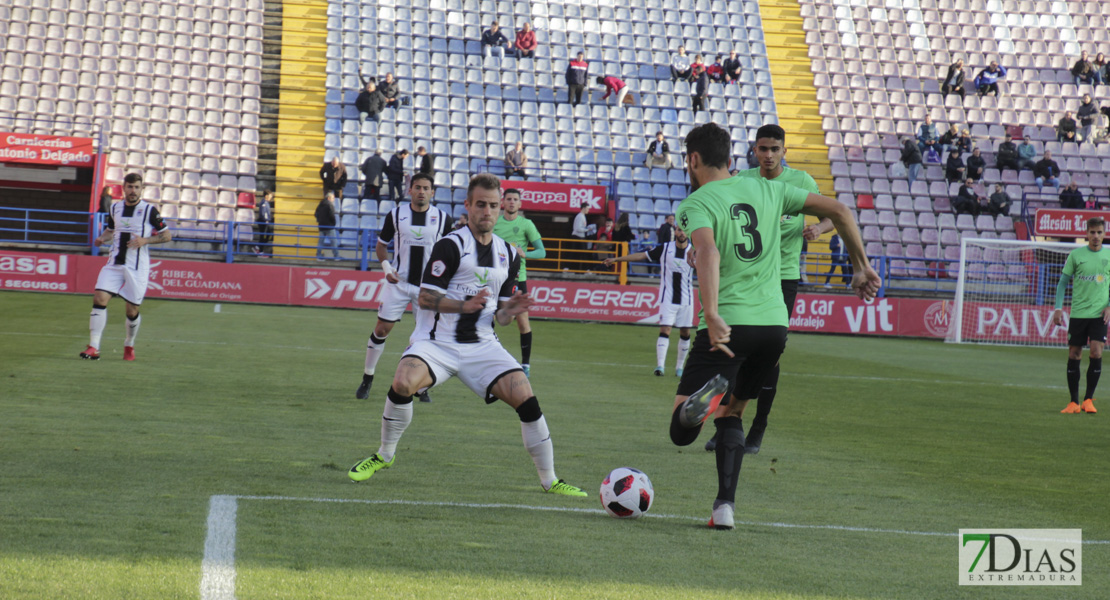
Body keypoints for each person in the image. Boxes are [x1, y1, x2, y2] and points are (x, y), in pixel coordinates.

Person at [666, 122, 879, 530]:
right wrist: (860, 267)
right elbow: (840, 211)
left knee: (682, 431)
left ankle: (705, 399)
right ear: (732, 159)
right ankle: (724, 508)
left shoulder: (696, 202)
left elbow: (707, 251)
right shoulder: (771, 188)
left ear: (693, 160)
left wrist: (710, 312)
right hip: (774, 325)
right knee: (735, 414)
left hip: (731, 320)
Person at [347, 173, 588, 498]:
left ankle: (550, 480)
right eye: (480, 205)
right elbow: (425, 298)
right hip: (436, 343)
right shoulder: (450, 245)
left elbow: (500, 317)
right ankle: (384, 455)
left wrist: (511, 308)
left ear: (500, 207)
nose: (487, 211)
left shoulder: (510, 255)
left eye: (492, 205)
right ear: (468, 206)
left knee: (527, 398)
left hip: (482, 347)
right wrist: (464, 305)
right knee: (403, 381)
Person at [703, 123, 834, 455]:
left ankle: (758, 427)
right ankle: (726, 425)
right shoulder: (743, 180)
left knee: (769, 356)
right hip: (745, 277)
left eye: (775, 149)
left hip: (783, 278)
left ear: (784, 151)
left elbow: (833, 215)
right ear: (754, 151)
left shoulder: (800, 182)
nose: (769, 155)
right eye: (763, 149)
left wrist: (818, 228)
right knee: (733, 350)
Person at [355, 173, 452, 401]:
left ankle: (421, 387)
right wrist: (387, 269)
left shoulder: (443, 218)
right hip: (398, 283)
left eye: (426, 188)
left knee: (425, 337)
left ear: (432, 192)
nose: (421, 191)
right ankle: (368, 377)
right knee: (381, 329)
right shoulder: (396, 215)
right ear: (410, 190)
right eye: (417, 187)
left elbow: (452, 252)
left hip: (428, 288)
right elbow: (381, 246)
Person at [79, 173, 171, 361]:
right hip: (114, 264)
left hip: (137, 267)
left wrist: (145, 240)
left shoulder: (149, 211)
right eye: (130, 187)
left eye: (136, 187)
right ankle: (94, 347)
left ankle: (129, 344)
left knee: (131, 310)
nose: (133, 191)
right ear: (124, 188)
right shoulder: (115, 208)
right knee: (99, 298)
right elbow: (111, 230)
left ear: (141, 188)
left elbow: (166, 235)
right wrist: (102, 238)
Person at [604, 225, 695, 376]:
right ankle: (660, 366)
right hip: (668, 297)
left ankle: (679, 368)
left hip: (687, 300)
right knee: (665, 329)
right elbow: (641, 255)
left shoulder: (694, 251)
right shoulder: (665, 248)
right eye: (679, 230)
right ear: (675, 232)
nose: (682, 233)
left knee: (685, 332)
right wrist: (617, 259)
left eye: (684, 230)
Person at [1052, 217, 1110, 415]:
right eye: (1092, 232)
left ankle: (1088, 400)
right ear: (1086, 234)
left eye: (1099, 232)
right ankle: (1073, 402)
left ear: (1104, 234)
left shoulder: (1109, 256)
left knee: (1096, 351)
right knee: (1074, 353)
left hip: (1099, 314)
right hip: (1078, 313)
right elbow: (1062, 283)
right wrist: (1058, 308)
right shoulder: (1076, 255)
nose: (1095, 236)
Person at [492, 188, 546, 377]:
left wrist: (526, 253)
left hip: (517, 279)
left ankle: (525, 365)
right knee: (487, 317)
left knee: (522, 322)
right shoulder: (495, 222)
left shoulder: (526, 224)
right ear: (502, 203)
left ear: (520, 203)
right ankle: (487, 356)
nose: (512, 202)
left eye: (515, 199)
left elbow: (542, 252)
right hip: (495, 277)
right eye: (509, 199)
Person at [315, 192, 340, 260]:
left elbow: (315, 213)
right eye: (332, 198)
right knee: (333, 241)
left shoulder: (320, 204)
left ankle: (318, 256)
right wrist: (333, 223)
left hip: (321, 226)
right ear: (329, 198)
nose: (333, 200)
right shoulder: (330, 205)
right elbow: (332, 215)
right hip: (329, 226)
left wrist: (319, 220)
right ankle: (336, 256)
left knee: (321, 241)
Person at [570, 201, 591, 271]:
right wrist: (587, 230)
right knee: (578, 254)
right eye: (588, 208)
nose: (588, 210)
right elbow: (577, 228)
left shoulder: (582, 216)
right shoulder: (580, 216)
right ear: (583, 208)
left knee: (580, 254)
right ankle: (572, 268)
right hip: (578, 237)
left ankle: (582, 269)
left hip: (580, 237)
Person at [254, 189, 274, 255]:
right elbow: (263, 213)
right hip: (263, 221)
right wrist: (266, 220)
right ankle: (260, 251)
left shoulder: (266, 203)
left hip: (265, 221)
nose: (271, 197)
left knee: (266, 236)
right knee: (264, 236)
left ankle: (258, 248)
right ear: (266, 196)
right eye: (270, 196)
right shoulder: (264, 203)